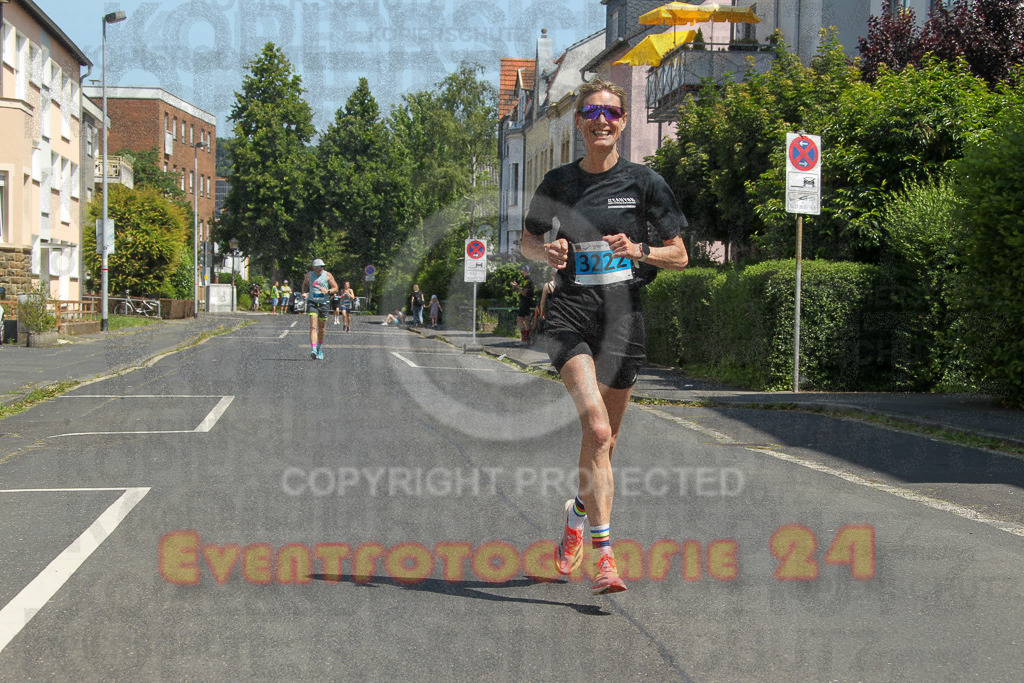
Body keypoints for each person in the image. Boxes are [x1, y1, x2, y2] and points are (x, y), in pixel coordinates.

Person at [521, 80, 689, 595]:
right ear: (579, 121)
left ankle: (576, 516)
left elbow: (680, 254)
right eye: (592, 111)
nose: (602, 120)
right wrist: (543, 254)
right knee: (595, 430)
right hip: (569, 316)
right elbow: (529, 240)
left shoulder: (644, 183)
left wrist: (639, 250)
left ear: (622, 121)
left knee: (607, 443)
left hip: (623, 321)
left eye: (611, 113)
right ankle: (605, 555)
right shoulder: (558, 181)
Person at [301, 258, 339, 360]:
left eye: (322, 266)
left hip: (324, 304)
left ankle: (319, 347)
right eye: (318, 267)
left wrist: (327, 291)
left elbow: (336, 288)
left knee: (321, 328)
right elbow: (304, 285)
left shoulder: (327, 275)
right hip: (312, 303)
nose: (320, 268)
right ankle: (313, 349)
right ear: (313, 267)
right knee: (313, 326)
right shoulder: (309, 275)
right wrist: (304, 293)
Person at [514, 265, 535, 344]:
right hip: (528, 302)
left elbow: (524, 292)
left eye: (522, 270)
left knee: (519, 319)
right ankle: (527, 339)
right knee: (526, 319)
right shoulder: (529, 279)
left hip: (525, 302)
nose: (521, 272)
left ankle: (524, 338)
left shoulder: (527, 279)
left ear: (524, 271)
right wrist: (518, 287)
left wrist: (517, 288)